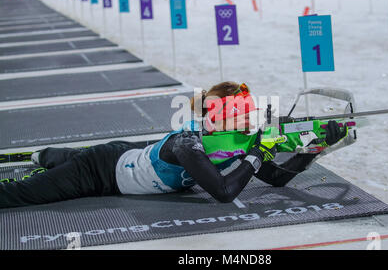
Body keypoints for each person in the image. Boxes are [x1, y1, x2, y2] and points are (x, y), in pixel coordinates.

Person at [0, 82, 347, 208]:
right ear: (216, 119)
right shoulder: (188, 143)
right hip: (100, 171)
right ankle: (39, 155)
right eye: (240, 115)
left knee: (62, 158)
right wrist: (258, 154)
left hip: (127, 153)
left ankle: (43, 155)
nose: (249, 122)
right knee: (24, 194)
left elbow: (276, 179)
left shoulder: (235, 141)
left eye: (249, 114)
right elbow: (225, 192)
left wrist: (311, 149)